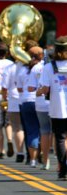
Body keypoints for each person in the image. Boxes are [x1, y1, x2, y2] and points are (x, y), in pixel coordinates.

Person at [37, 36, 67, 180]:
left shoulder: (49, 67)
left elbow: (45, 89)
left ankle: (63, 170)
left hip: (58, 108)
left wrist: (38, 91)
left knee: (60, 139)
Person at [17, 46, 42, 167]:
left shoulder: (22, 70)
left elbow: (20, 88)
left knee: (30, 130)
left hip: (25, 101)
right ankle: (42, 156)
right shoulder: (43, 67)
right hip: (40, 101)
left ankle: (32, 159)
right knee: (43, 130)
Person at [28, 47, 52, 170]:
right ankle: (61, 160)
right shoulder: (53, 68)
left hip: (41, 103)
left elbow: (31, 88)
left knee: (44, 131)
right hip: (56, 103)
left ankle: (46, 160)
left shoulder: (36, 68)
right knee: (58, 133)